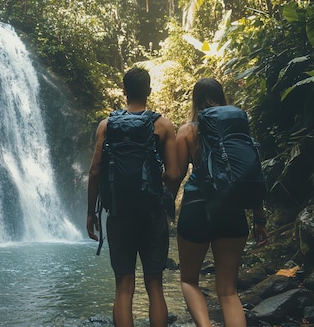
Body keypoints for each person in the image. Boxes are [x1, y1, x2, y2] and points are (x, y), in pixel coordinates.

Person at [86, 67, 178, 327]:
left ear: (124, 91)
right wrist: (151, 179)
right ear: (149, 91)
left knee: (124, 286)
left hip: (118, 214)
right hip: (151, 214)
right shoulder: (162, 125)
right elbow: (172, 175)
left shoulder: (107, 125)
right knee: (155, 286)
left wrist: (91, 212)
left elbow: (94, 171)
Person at [174, 78, 269, 327]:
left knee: (188, 281)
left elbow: (176, 175)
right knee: (228, 291)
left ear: (195, 100)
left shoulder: (186, 131)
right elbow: (252, 174)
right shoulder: (238, 132)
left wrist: (166, 205)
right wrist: (260, 219)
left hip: (196, 208)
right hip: (233, 210)